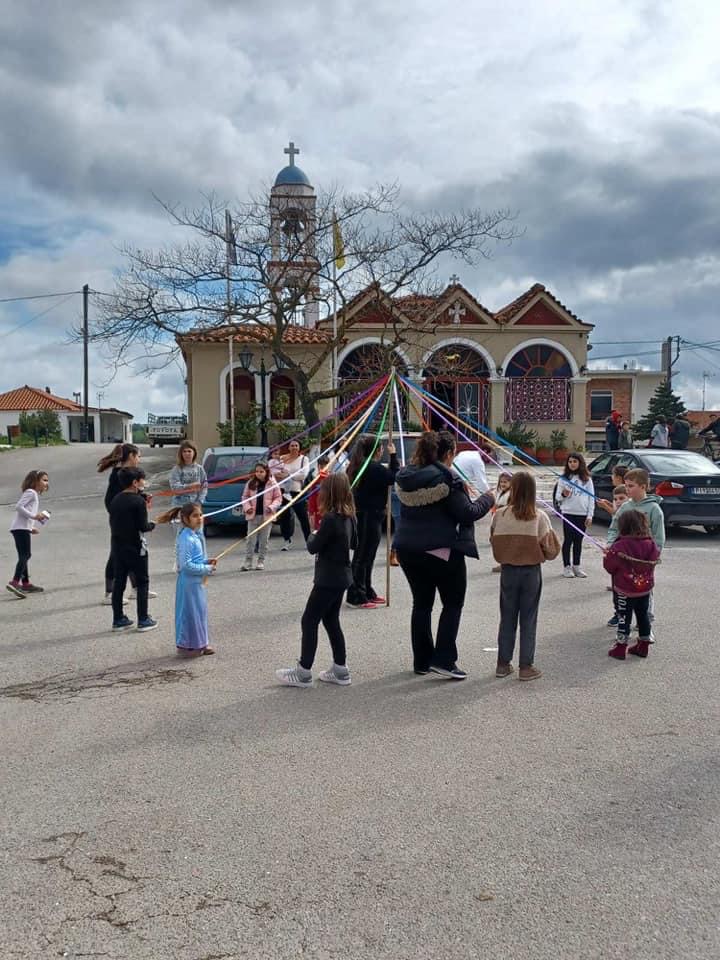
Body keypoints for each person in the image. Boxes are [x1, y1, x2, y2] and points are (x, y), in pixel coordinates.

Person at [394, 430, 495, 680]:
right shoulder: (447, 479)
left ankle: (422, 660)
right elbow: (467, 512)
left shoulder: (407, 476)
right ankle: (444, 659)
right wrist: (488, 498)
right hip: (440, 550)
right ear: (449, 454)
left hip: (407, 549)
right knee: (452, 603)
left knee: (422, 604)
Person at [276, 473, 357, 688]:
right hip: (342, 576)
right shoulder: (350, 515)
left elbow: (313, 547)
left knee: (309, 620)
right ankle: (340, 669)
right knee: (331, 620)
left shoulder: (330, 518)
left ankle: (303, 671)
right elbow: (354, 543)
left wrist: (314, 532)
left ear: (328, 493)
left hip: (328, 578)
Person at [490, 471, 560, 681]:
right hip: (531, 571)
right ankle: (526, 666)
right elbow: (552, 550)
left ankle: (503, 664)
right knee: (529, 618)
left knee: (507, 617)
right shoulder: (539, 517)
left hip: (508, 570)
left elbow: (493, 540)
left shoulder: (499, 515)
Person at [97, 443, 157, 606]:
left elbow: (130, 492)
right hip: (120, 518)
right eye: (138, 456)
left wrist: (142, 496)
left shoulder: (128, 474)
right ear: (131, 456)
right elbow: (117, 497)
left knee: (132, 551)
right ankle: (109, 592)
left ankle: (137, 589)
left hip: (128, 515)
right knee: (116, 553)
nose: (139, 459)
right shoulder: (118, 474)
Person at [606, 467, 665, 628]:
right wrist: (609, 545)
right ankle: (622, 616)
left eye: (631, 486)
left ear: (643, 487)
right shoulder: (625, 507)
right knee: (624, 586)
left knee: (645, 586)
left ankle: (646, 621)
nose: (627, 489)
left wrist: (654, 555)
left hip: (645, 558)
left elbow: (659, 537)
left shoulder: (654, 509)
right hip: (626, 557)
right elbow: (614, 528)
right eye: (626, 485)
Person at [346, 435, 399, 608]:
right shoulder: (371, 467)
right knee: (362, 555)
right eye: (382, 447)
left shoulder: (362, 466)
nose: (383, 449)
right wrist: (393, 456)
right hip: (368, 515)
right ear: (376, 450)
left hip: (371, 515)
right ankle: (355, 595)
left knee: (367, 555)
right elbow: (392, 477)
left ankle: (367, 590)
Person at [603, 510, 661, 660]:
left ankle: (621, 647)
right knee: (643, 615)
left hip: (624, 589)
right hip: (644, 588)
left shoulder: (619, 545)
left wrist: (608, 555)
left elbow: (610, 567)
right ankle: (643, 645)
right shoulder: (651, 544)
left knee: (623, 616)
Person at [108, 466, 157, 632]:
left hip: (118, 546)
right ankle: (143, 619)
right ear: (135, 482)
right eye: (142, 480)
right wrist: (153, 525)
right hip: (136, 547)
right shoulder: (138, 502)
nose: (144, 483)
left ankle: (118, 618)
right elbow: (142, 526)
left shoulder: (116, 500)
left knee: (119, 582)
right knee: (142, 582)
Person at [172, 503, 218, 657]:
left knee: (199, 612)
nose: (199, 518)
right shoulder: (186, 538)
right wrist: (206, 569)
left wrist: (206, 562)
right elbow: (186, 565)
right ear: (185, 519)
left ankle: (200, 643)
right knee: (190, 613)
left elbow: (195, 560)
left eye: (200, 515)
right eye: (195, 516)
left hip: (196, 583)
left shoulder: (194, 535)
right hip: (189, 584)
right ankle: (189, 644)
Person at [7, 470, 49, 598]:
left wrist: (31, 527)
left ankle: (25, 583)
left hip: (21, 528)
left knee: (24, 555)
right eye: (44, 480)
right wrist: (35, 516)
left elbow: (25, 513)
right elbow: (19, 507)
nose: (47, 483)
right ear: (35, 481)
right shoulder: (31, 492)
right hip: (20, 529)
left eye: (47, 480)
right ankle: (15, 582)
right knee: (26, 554)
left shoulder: (34, 494)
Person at [555, 452, 595, 578]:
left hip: (582, 514)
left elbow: (591, 498)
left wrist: (590, 515)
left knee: (578, 540)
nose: (572, 464)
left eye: (575, 461)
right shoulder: (563, 479)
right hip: (568, 513)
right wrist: (563, 495)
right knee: (568, 540)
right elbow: (557, 497)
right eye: (570, 462)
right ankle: (566, 566)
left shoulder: (587, 479)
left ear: (580, 463)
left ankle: (576, 566)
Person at [270, 439, 311, 549]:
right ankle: (286, 541)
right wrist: (287, 475)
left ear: (299, 447)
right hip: (282, 492)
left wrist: (287, 475)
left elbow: (303, 475)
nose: (294, 447)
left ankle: (309, 540)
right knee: (285, 517)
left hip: (297, 492)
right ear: (288, 447)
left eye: (296, 445)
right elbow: (275, 473)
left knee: (303, 517)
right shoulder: (282, 458)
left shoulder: (304, 459)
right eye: (292, 445)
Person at [241, 461, 281, 571]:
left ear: (266, 471)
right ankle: (248, 561)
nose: (258, 473)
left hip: (267, 516)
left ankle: (261, 561)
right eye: (257, 471)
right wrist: (247, 507)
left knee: (264, 540)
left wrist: (272, 507)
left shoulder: (272, 483)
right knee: (250, 540)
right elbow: (244, 497)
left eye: (261, 471)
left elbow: (278, 498)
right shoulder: (250, 483)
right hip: (253, 516)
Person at [169, 441, 208, 508]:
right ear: (181, 454)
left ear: (194, 453)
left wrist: (199, 501)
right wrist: (189, 486)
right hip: (179, 505)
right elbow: (174, 488)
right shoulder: (177, 469)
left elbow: (204, 487)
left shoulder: (199, 468)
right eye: (184, 451)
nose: (187, 453)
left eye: (189, 451)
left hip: (195, 504)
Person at [490, 472, 512, 573]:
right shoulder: (499, 492)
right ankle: (503, 563)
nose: (503, 484)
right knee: (499, 544)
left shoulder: (510, 494)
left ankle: (505, 564)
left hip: (505, 523)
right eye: (501, 482)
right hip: (497, 522)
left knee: (505, 544)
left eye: (506, 482)